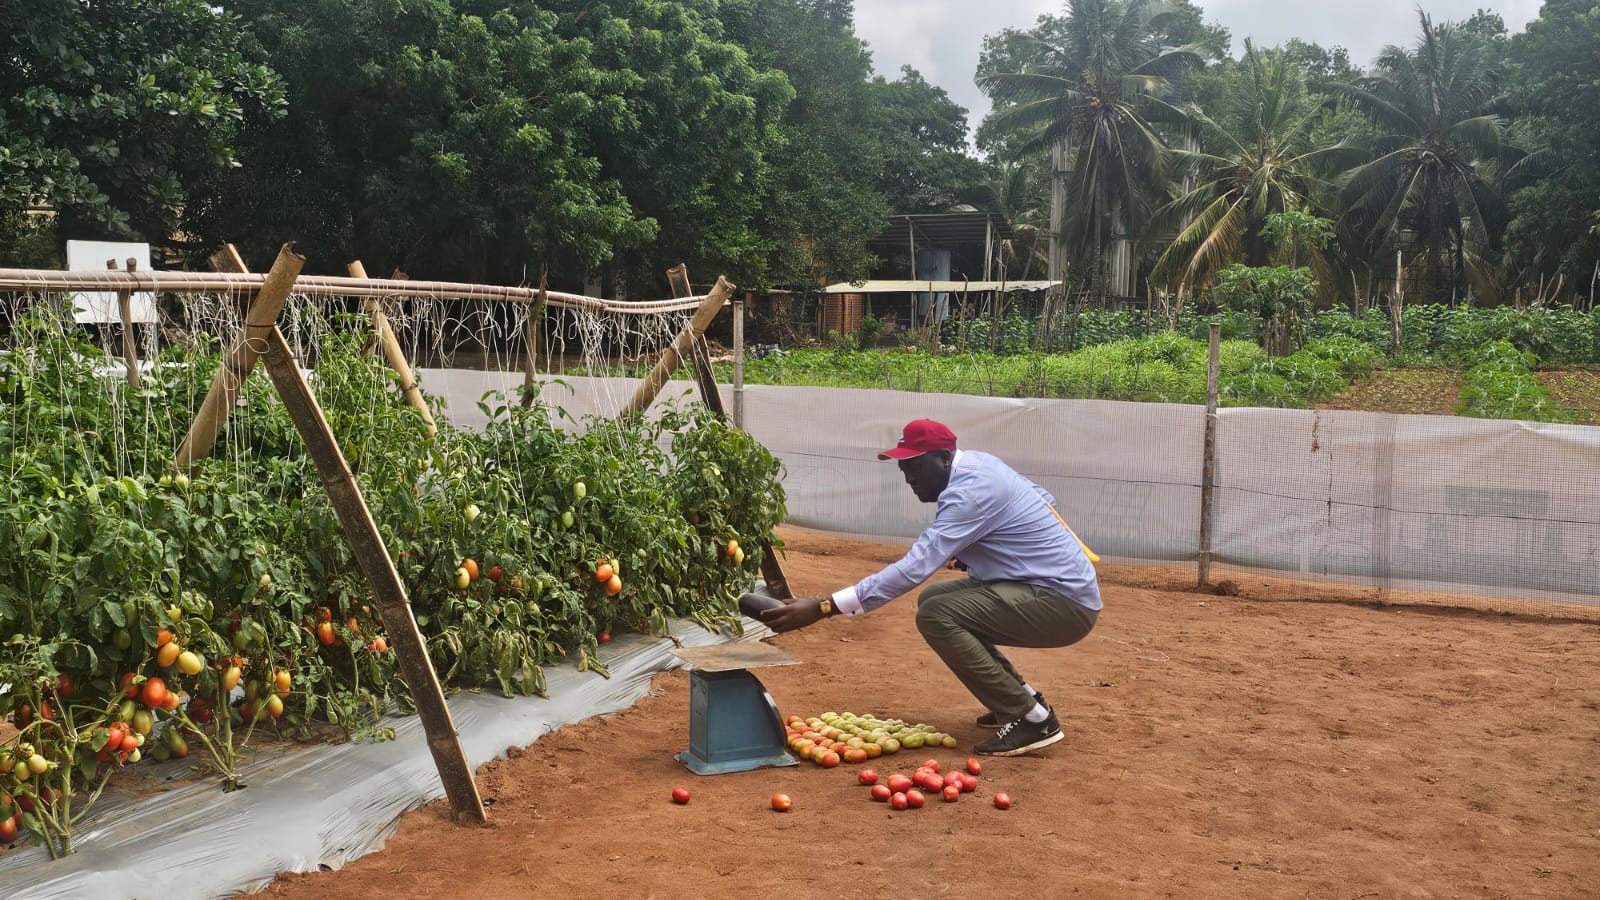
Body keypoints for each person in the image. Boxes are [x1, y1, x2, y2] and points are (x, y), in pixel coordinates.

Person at [763, 419, 1101, 756]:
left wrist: (824, 606)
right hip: (1052, 589)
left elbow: (915, 566)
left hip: (1063, 604)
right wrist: (991, 546)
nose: (909, 478)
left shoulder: (968, 494)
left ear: (943, 458)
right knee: (934, 598)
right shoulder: (979, 465)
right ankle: (1018, 698)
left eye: (915, 467)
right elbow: (1042, 498)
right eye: (903, 469)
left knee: (939, 614)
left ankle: (1032, 719)